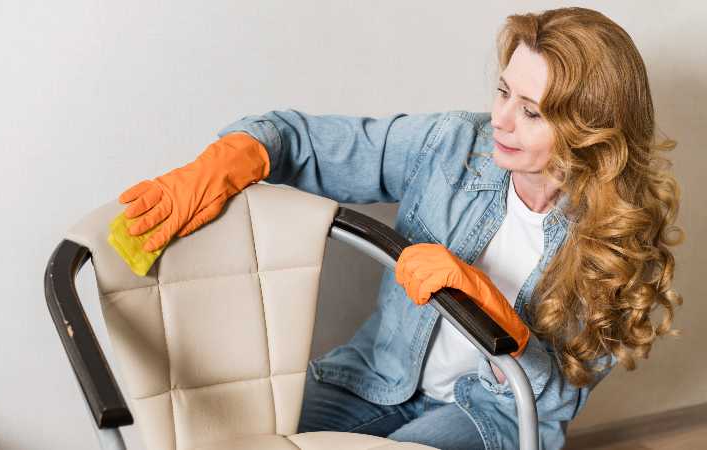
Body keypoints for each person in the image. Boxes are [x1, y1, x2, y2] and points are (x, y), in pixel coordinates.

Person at [116, 6, 684, 450]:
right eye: (504, 92)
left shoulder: (622, 239)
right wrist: (234, 159)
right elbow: (301, 140)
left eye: (532, 111)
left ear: (590, 128)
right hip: (375, 377)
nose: (502, 121)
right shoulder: (453, 145)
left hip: (491, 416)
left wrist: (497, 319)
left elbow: (557, 398)